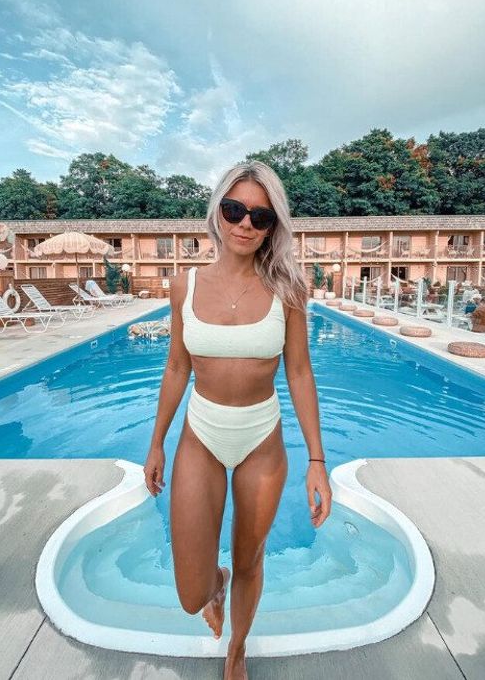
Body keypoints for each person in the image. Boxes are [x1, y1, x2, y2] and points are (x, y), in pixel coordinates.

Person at [143, 161, 331, 680]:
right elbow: (178, 366)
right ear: (218, 214)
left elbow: (298, 372)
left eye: (260, 215)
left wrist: (318, 460)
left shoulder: (289, 289)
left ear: (274, 225)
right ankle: (214, 585)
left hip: (261, 440)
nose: (245, 224)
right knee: (189, 594)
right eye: (235, 210)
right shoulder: (184, 286)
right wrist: (157, 442)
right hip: (200, 435)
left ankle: (237, 650)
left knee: (251, 558)